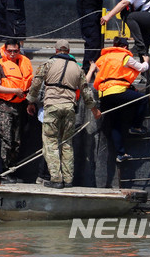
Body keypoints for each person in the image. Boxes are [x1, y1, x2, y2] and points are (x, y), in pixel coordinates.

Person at [26, 40, 101, 189]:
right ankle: (68, 179)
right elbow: (86, 91)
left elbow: (36, 84)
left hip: (52, 107)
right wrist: (94, 109)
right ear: (68, 50)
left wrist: (30, 102)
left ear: (56, 50)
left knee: (50, 142)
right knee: (67, 143)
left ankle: (56, 179)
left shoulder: (47, 65)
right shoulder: (78, 69)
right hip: (69, 108)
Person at [87, 37, 150, 163]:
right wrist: (146, 61)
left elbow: (97, 74)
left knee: (115, 124)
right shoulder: (124, 56)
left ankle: (121, 153)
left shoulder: (103, 58)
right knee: (143, 100)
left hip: (104, 93)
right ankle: (136, 126)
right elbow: (142, 68)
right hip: (118, 90)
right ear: (125, 47)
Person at [0, 38, 33, 182]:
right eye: (10, 51)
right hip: (5, 106)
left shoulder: (25, 63)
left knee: (16, 141)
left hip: (20, 106)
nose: (13, 54)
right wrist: (14, 90)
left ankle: (11, 170)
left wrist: (29, 101)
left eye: (16, 51)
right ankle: (1, 172)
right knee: (5, 139)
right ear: (5, 50)